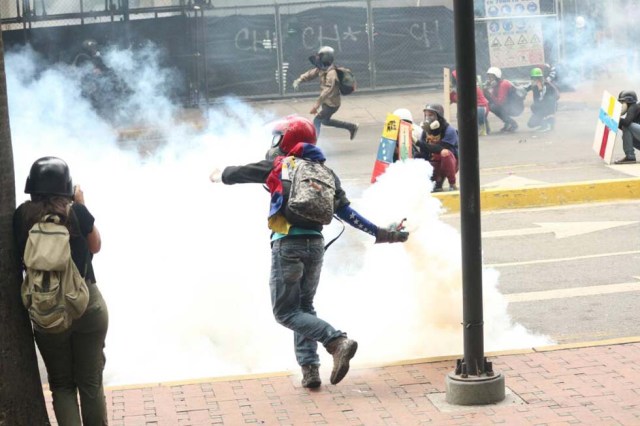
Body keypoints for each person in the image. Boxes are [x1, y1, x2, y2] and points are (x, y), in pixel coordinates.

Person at [209, 115, 409, 389]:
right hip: (315, 246)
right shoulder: (326, 173)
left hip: (287, 244)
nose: (274, 143)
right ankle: (310, 370)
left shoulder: (281, 165)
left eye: (277, 137)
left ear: (286, 139)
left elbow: (242, 172)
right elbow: (347, 213)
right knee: (303, 307)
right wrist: (380, 232)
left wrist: (220, 174)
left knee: (285, 312)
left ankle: (336, 341)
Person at [13, 157, 109, 425]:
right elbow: (96, 246)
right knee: (90, 383)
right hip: (87, 304)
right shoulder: (76, 212)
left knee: (63, 386)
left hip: (46, 311)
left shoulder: (22, 217)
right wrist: (80, 203)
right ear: (66, 187)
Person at [292, 46, 359, 140]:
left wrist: (316, 106)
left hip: (332, 104)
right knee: (325, 121)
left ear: (325, 57)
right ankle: (351, 127)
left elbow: (327, 91)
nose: (318, 57)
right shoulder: (322, 69)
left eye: (320, 56)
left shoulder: (332, 73)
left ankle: (313, 143)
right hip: (326, 102)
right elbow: (310, 74)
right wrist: (299, 80)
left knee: (317, 120)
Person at [416, 103, 459, 192]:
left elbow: (440, 148)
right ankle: (433, 181)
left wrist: (418, 143)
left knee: (444, 153)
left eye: (431, 115)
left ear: (438, 116)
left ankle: (452, 183)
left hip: (448, 163)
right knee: (416, 156)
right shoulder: (426, 132)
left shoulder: (449, 130)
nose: (428, 118)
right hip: (432, 163)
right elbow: (424, 150)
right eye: (426, 115)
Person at [450, 69, 491, 135]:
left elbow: (463, 100)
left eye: (454, 79)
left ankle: (481, 127)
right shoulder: (458, 89)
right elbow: (451, 100)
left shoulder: (469, 86)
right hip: (473, 108)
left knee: (465, 112)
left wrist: (454, 93)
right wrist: (451, 94)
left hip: (481, 108)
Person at [483, 66, 521, 133]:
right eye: (489, 77)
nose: (489, 79)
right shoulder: (497, 84)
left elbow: (500, 102)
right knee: (491, 105)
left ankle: (513, 124)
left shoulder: (503, 84)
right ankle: (507, 123)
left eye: (491, 77)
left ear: (497, 77)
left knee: (493, 107)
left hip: (516, 108)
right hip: (508, 105)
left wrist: (489, 93)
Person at [525, 67, 559, 132]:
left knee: (539, 107)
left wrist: (540, 89)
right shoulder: (534, 85)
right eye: (533, 78)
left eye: (536, 78)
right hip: (540, 106)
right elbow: (524, 88)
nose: (534, 80)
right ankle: (543, 124)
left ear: (540, 78)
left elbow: (545, 99)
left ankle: (548, 125)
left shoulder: (546, 86)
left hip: (550, 106)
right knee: (531, 124)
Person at [614, 90, 640, 164]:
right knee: (625, 133)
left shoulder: (634, 107)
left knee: (627, 126)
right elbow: (624, 127)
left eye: (622, 102)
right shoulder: (635, 108)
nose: (621, 105)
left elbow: (626, 123)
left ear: (628, 101)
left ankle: (630, 156)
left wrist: (614, 117)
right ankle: (630, 156)